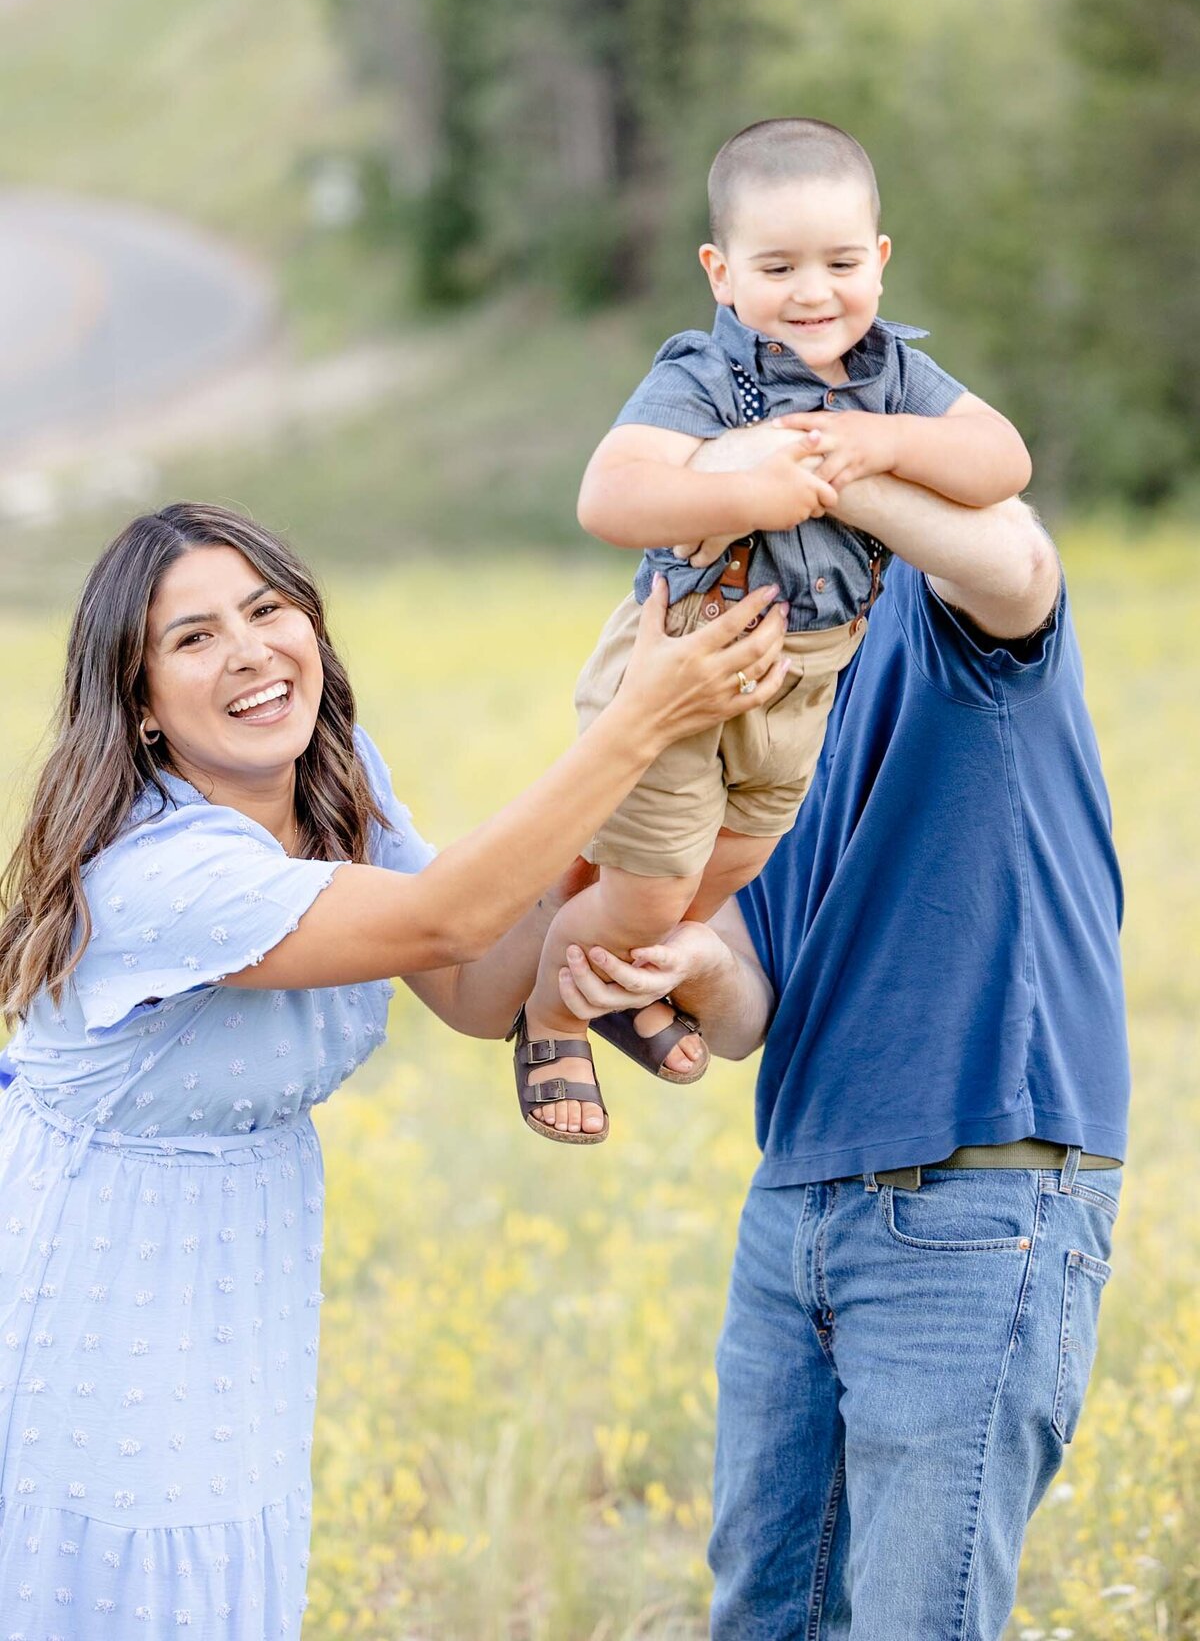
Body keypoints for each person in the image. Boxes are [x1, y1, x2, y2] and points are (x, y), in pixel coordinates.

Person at [0, 501, 788, 1637]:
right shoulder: (161, 873)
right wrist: (629, 726)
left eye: (267, 610)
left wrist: (648, 823)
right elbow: (441, 923)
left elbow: (479, 985)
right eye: (193, 637)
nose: (250, 652)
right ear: (141, 706)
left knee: (223, 1579)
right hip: (89, 1283)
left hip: (230, 1282)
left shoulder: (328, 785)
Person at [556, 461, 1128, 1639]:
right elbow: (748, 1005)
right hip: (798, 1206)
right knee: (762, 1615)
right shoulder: (743, 706)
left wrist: (819, 461)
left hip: (976, 1206)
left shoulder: (949, 610)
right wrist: (693, 968)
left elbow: (1020, 560)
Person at [511, 117, 1032, 1143]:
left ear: (879, 262)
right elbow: (609, 498)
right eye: (778, 265)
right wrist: (748, 488)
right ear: (721, 272)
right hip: (684, 670)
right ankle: (550, 1012)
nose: (813, 292)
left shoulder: (892, 380)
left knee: (728, 872)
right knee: (653, 893)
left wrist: (884, 439)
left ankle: (620, 967)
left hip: (800, 690)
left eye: (841, 262)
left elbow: (1000, 460)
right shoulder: (704, 378)